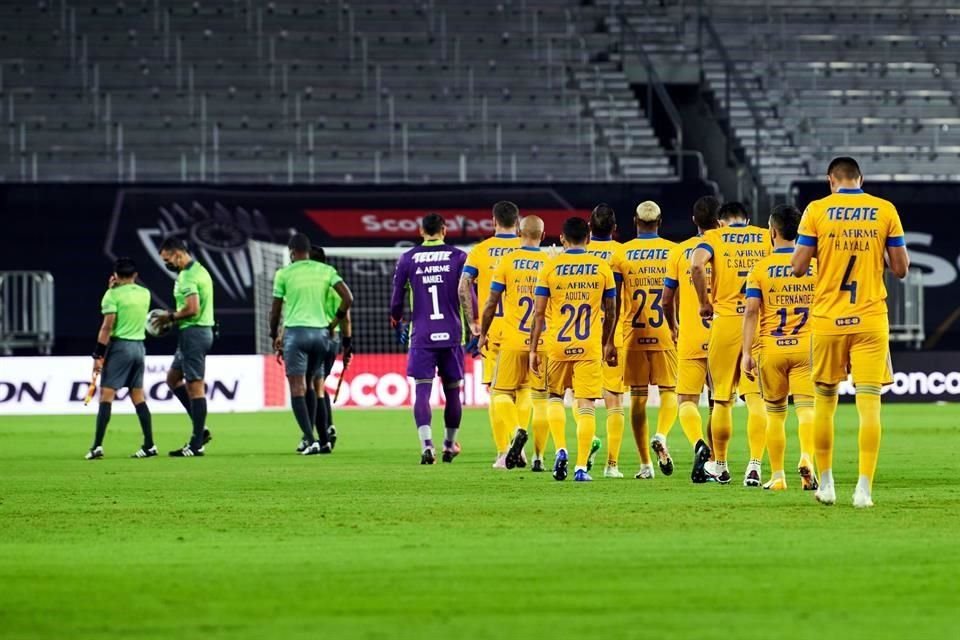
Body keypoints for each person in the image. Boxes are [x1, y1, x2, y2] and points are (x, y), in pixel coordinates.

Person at [791, 157, 909, 508]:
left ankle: (826, 485)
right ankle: (864, 490)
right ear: (861, 179)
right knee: (869, 404)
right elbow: (901, 269)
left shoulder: (817, 210)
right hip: (871, 317)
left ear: (831, 180)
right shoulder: (884, 209)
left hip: (828, 318)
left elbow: (797, 266)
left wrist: (826, 254)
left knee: (825, 403)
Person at [529, 217, 618, 482]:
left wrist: (534, 349)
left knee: (555, 397)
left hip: (557, 344)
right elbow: (612, 310)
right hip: (589, 345)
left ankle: (560, 449)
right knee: (586, 405)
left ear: (563, 240)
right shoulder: (602, 267)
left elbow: (539, 313)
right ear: (588, 239)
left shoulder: (550, 267)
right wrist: (608, 341)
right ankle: (580, 468)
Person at [691, 202, 769, 485]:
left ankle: (720, 465)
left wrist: (703, 302)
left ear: (721, 222)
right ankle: (755, 465)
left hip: (725, 322)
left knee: (722, 398)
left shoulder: (713, 237)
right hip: (758, 322)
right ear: (746, 219)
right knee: (757, 399)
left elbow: (696, 265)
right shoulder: (764, 236)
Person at [741, 205, 818, 491]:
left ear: (772, 232)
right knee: (807, 410)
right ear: (799, 232)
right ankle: (807, 458)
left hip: (772, 348)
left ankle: (777, 476)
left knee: (775, 414)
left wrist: (747, 353)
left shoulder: (759, 269)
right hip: (808, 347)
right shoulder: (815, 265)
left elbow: (750, 312)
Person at [391, 213, 469, 464]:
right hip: (453, 333)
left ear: (421, 231)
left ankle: (427, 445)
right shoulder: (458, 257)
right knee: (453, 391)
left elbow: (396, 300)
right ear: (444, 230)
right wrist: (476, 325)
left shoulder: (408, 258)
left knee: (422, 391)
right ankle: (449, 444)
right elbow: (469, 294)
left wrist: (397, 320)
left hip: (422, 334)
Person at [269, 233, 353, 455]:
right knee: (316, 385)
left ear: (291, 252)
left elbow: (277, 309)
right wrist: (334, 323)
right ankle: (323, 437)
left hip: (296, 334)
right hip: (322, 336)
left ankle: (309, 438)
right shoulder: (326, 272)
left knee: (298, 387)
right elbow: (349, 299)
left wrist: (273, 334)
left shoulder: (284, 273)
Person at [478, 216, 551, 472]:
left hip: (511, 340)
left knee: (499, 393)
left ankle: (516, 432)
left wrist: (483, 332)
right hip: (542, 342)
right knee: (538, 399)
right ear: (543, 235)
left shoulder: (507, 261)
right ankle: (539, 458)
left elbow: (490, 303)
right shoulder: (550, 262)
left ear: (519, 232)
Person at [614, 201, 678, 480]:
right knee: (669, 392)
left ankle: (645, 465)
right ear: (660, 222)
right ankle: (661, 434)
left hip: (633, 334)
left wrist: (609, 340)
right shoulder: (675, 252)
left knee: (638, 399)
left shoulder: (622, 253)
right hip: (665, 331)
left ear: (635, 222)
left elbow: (613, 301)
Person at [459, 201, 521, 466]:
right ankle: (527, 443)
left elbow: (463, 288)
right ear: (517, 223)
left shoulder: (480, 251)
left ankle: (503, 451)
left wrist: (473, 322)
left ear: (493, 221)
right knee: (524, 389)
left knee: (496, 390)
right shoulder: (528, 249)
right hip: (524, 329)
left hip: (493, 329)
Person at [662, 196, 719, 482]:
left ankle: (699, 444)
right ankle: (718, 462)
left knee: (686, 399)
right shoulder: (728, 250)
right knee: (718, 403)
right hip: (723, 334)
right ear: (719, 221)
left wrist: (673, 327)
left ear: (694, 220)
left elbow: (665, 300)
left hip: (690, 335)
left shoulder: (680, 251)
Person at [85, 257, 155, 460]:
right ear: (135, 275)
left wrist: (98, 354)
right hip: (139, 347)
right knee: (138, 397)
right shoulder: (145, 293)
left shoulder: (111, 296)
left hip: (120, 348)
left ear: (115, 275)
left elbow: (107, 326)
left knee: (106, 396)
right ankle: (149, 445)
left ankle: (97, 446)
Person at [153, 238, 216, 457]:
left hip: (195, 333)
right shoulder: (199, 270)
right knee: (172, 379)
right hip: (194, 332)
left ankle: (196, 443)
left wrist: (169, 317)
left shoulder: (188, 276)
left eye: (167, 259)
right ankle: (201, 429)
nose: (166, 263)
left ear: (178, 253)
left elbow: (193, 309)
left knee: (195, 386)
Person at [584, 204, 626, 477]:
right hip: (614, 334)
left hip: (583, 334)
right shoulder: (621, 254)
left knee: (584, 399)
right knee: (614, 400)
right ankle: (612, 465)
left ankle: (584, 449)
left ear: (589, 228)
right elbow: (619, 298)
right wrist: (610, 338)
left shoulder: (578, 254)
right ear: (614, 229)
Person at [306, 246, 354, 450]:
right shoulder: (334, 283)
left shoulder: (312, 285)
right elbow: (346, 316)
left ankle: (318, 434)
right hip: (333, 340)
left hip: (316, 335)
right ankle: (328, 427)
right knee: (320, 384)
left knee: (312, 386)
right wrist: (347, 343)